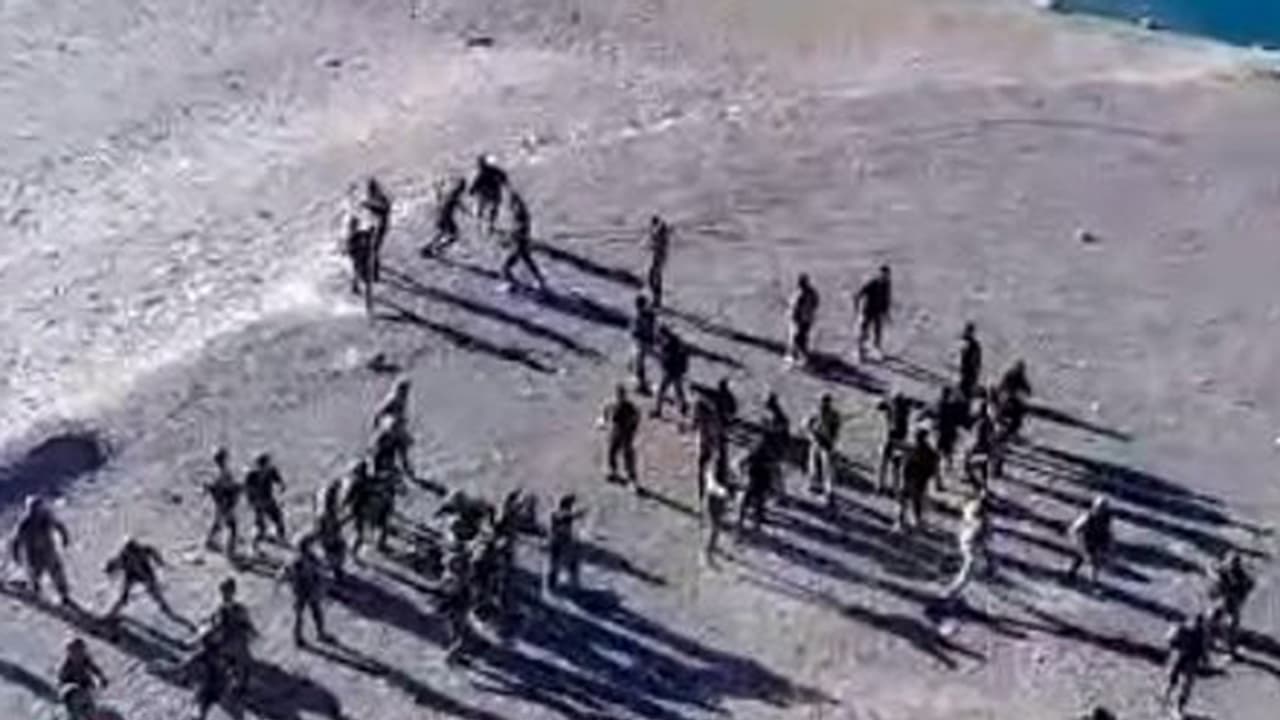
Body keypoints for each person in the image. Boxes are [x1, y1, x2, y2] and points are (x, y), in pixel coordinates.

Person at [103, 537, 194, 630]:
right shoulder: (126, 557)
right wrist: (160, 562)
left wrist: (160, 562)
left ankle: (181, 621)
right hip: (133, 576)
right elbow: (150, 551)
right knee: (124, 598)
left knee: (160, 603)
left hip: (146, 577)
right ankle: (111, 616)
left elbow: (151, 552)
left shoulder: (134, 554)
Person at [9, 495, 72, 604]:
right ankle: (35, 591)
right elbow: (16, 539)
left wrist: (65, 538)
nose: (37, 512)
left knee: (56, 572)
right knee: (34, 573)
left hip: (48, 550)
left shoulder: (47, 518)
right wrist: (15, 554)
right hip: (33, 553)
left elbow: (59, 526)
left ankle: (63, 594)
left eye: (39, 508)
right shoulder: (25, 523)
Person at [204, 577, 257, 696]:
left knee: (231, 663)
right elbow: (246, 624)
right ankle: (237, 686)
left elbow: (216, 625)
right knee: (241, 665)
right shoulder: (237, 608)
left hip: (228, 642)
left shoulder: (224, 608)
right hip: (234, 642)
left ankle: (230, 684)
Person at [279, 536, 333, 646]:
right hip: (301, 591)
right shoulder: (297, 561)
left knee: (314, 613)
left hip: (309, 589)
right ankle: (299, 636)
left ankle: (317, 634)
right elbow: (285, 573)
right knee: (300, 615)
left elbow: (320, 568)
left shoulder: (309, 557)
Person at [942, 492, 991, 599]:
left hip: (966, 538)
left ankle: (953, 590)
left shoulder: (971, 507)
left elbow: (963, 511)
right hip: (971, 543)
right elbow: (984, 537)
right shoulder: (984, 521)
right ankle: (953, 592)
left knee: (968, 568)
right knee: (967, 571)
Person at [1207, 551, 1255, 657]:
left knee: (1231, 625)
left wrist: (1237, 589)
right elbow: (1211, 570)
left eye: (1233, 564)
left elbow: (1249, 585)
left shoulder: (1241, 576)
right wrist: (1218, 578)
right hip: (1221, 600)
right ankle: (1208, 640)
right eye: (1229, 563)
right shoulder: (1221, 570)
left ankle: (1230, 648)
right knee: (1211, 618)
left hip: (1232, 603)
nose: (1231, 566)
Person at [1164, 613, 1210, 719]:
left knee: (1186, 685)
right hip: (1179, 655)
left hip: (1191, 659)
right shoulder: (1181, 628)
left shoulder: (1203, 633)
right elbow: (1169, 639)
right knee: (1172, 678)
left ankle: (1178, 707)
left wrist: (1205, 659)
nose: (1196, 625)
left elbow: (1204, 647)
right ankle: (1167, 695)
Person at [501, 191, 548, 291]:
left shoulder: (519, 215)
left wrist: (510, 236)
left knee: (505, 267)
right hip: (520, 244)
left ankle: (511, 283)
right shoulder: (520, 214)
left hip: (518, 245)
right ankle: (540, 279)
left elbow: (518, 230)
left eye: (510, 202)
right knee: (528, 261)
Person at [898, 428, 940, 530]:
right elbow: (934, 463)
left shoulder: (910, 448)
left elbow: (903, 464)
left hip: (910, 477)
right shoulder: (928, 451)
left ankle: (902, 520)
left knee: (905, 499)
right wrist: (930, 476)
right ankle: (915, 520)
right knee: (915, 500)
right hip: (919, 479)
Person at [601, 384, 641, 490]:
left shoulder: (630, 407)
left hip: (626, 434)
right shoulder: (611, 404)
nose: (620, 397)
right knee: (611, 451)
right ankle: (612, 471)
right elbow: (605, 412)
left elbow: (636, 418)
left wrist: (632, 430)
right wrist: (605, 422)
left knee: (628, 456)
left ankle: (632, 479)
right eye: (618, 394)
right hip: (615, 432)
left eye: (621, 395)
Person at [244, 452, 287, 550]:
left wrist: (282, 486)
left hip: (262, 501)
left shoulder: (254, 473)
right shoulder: (254, 474)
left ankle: (256, 544)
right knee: (273, 520)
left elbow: (247, 489)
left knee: (269, 521)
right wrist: (282, 486)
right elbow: (248, 489)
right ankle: (257, 543)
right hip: (264, 501)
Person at [204, 447, 241, 557]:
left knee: (218, 523)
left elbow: (215, 487)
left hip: (221, 503)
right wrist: (237, 488)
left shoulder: (219, 472)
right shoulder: (224, 473)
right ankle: (230, 550)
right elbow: (225, 487)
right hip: (225, 503)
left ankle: (210, 541)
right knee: (232, 526)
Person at [1067, 496, 1113, 584]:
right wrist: (1078, 541)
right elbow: (1075, 529)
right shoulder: (1087, 517)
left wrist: (1108, 543)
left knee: (1093, 561)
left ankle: (1092, 581)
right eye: (1099, 508)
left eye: (1103, 508)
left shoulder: (1106, 519)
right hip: (1084, 540)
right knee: (1083, 558)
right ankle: (1073, 575)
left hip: (1096, 540)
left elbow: (1107, 531)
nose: (1100, 510)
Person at [58, 637, 107, 720]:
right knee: (76, 709)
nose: (79, 655)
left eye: (81, 651)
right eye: (76, 652)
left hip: (85, 685)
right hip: (73, 690)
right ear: (70, 653)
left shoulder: (85, 660)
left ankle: (91, 715)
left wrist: (102, 678)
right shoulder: (67, 666)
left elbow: (94, 668)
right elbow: (62, 679)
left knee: (89, 706)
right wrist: (68, 688)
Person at [805, 394, 841, 505]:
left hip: (827, 444)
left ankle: (829, 493)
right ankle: (814, 485)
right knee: (813, 465)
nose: (823, 404)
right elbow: (806, 425)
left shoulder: (833, 415)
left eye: (825, 402)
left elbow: (836, 430)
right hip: (817, 442)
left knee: (828, 470)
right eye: (822, 402)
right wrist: (812, 436)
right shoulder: (815, 413)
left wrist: (831, 440)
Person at [876, 389, 913, 494]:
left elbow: (879, 406)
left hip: (891, 439)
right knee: (895, 465)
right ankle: (894, 487)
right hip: (898, 440)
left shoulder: (894, 409)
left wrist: (887, 400)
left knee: (885, 463)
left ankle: (881, 485)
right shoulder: (904, 410)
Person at [546, 495, 585, 593]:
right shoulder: (559, 514)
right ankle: (556, 585)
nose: (571, 507)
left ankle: (565, 585)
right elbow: (565, 517)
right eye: (570, 505)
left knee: (562, 564)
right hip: (559, 543)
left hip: (562, 542)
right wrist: (577, 514)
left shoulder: (560, 514)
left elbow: (569, 517)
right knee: (559, 564)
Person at [853, 264, 892, 361]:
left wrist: (886, 312)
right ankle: (860, 352)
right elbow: (858, 294)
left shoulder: (887, 284)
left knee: (878, 332)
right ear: (879, 274)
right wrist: (857, 309)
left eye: (886, 275)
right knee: (864, 331)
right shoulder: (872, 283)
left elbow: (886, 298)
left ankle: (877, 350)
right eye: (883, 275)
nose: (885, 277)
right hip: (868, 311)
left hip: (878, 311)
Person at [314, 479, 348, 582]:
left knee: (336, 550)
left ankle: (335, 569)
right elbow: (326, 524)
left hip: (328, 530)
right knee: (335, 551)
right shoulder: (326, 511)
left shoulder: (323, 500)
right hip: (328, 533)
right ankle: (334, 571)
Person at [690, 391, 723, 501]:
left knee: (703, 467)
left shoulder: (707, 419)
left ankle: (703, 492)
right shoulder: (712, 417)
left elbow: (694, 426)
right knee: (707, 467)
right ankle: (704, 491)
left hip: (705, 444)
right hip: (707, 443)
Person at [933, 385, 968, 483]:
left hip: (941, 434)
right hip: (948, 434)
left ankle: (939, 478)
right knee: (947, 456)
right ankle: (945, 475)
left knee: (941, 456)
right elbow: (962, 407)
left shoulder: (939, 404)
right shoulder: (950, 407)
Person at [653, 327, 690, 419]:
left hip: (671, 371)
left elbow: (667, 358)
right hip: (676, 371)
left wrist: (661, 357)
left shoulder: (670, 345)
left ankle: (658, 410)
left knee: (661, 391)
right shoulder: (674, 343)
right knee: (678, 390)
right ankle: (683, 407)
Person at [344, 214, 377, 316]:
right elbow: (350, 251)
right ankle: (356, 288)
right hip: (360, 261)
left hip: (364, 261)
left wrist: (371, 231)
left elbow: (368, 234)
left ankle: (368, 306)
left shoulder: (358, 234)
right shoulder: (351, 238)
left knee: (367, 283)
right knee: (361, 278)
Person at [424, 177, 467, 255]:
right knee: (452, 235)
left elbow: (446, 201)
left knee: (444, 233)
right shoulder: (455, 195)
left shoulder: (452, 193)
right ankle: (435, 248)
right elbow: (453, 203)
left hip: (444, 216)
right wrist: (464, 210)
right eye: (463, 187)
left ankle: (430, 247)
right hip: (446, 217)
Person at [468, 155, 509, 235]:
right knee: (486, 210)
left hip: (488, 194)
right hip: (488, 194)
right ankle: (485, 225)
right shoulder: (490, 171)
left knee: (487, 210)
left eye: (480, 164)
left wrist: (472, 191)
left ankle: (487, 225)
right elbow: (503, 177)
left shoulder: (484, 172)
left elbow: (475, 184)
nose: (480, 165)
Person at [703, 464, 733, 567]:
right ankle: (708, 554)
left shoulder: (719, 468)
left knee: (717, 528)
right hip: (713, 502)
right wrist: (723, 492)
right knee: (713, 528)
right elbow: (712, 486)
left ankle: (713, 548)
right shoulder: (713, 471)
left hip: (718, 503)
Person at [786, 274, 819, 367]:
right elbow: (816, 303)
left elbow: (796, 307)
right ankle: (799, 356)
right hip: (808, 319)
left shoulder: (800, 294)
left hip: (800, 320)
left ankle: (798, 357)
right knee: (803, 337)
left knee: (797, 338)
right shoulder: (812, 292)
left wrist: (792, 313)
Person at [363, 176, 392, 282]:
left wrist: (369, 206)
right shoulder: (374, 198)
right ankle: (373, 270)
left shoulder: (381, 199)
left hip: (380, 227)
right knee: (372, 249)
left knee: (374, 250)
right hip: (375, 227)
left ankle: (374, 274)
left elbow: (383, 209)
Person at [995, 359, 1033, 439]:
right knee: (1007, 413)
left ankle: (1008, 431)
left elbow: (1027, 388)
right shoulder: (1010, 375)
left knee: (1017, 415)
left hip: (1010, 399)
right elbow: (1001, 386)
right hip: (1006, 399)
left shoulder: (1018, 376)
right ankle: (1004, 430)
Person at [630, 294, 657, 395]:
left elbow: (635, 332)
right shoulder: (649, 315)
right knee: (638, 363)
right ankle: (641, 383)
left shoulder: (640, 317)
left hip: (643, 342)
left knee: (639, 363)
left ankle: (641, 384)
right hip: (646, 342)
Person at [646, 215, 671, 309]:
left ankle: (657, 300)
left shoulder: (662, 235)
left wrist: (654, 242)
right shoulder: (661, 234)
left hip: (658, 259)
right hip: (658, 258)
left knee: (654, 279)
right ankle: (656, 299)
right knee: (654, 279)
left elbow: (659, 246)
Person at [957, 322, 983, 405]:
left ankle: (963, 404)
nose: (966, 332)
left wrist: (974, 373)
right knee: (963, 390)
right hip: (967, 373)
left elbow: (975, 362)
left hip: (969, 373)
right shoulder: (967, 342)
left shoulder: (974, 345)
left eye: (968, 331)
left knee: (965, 391)